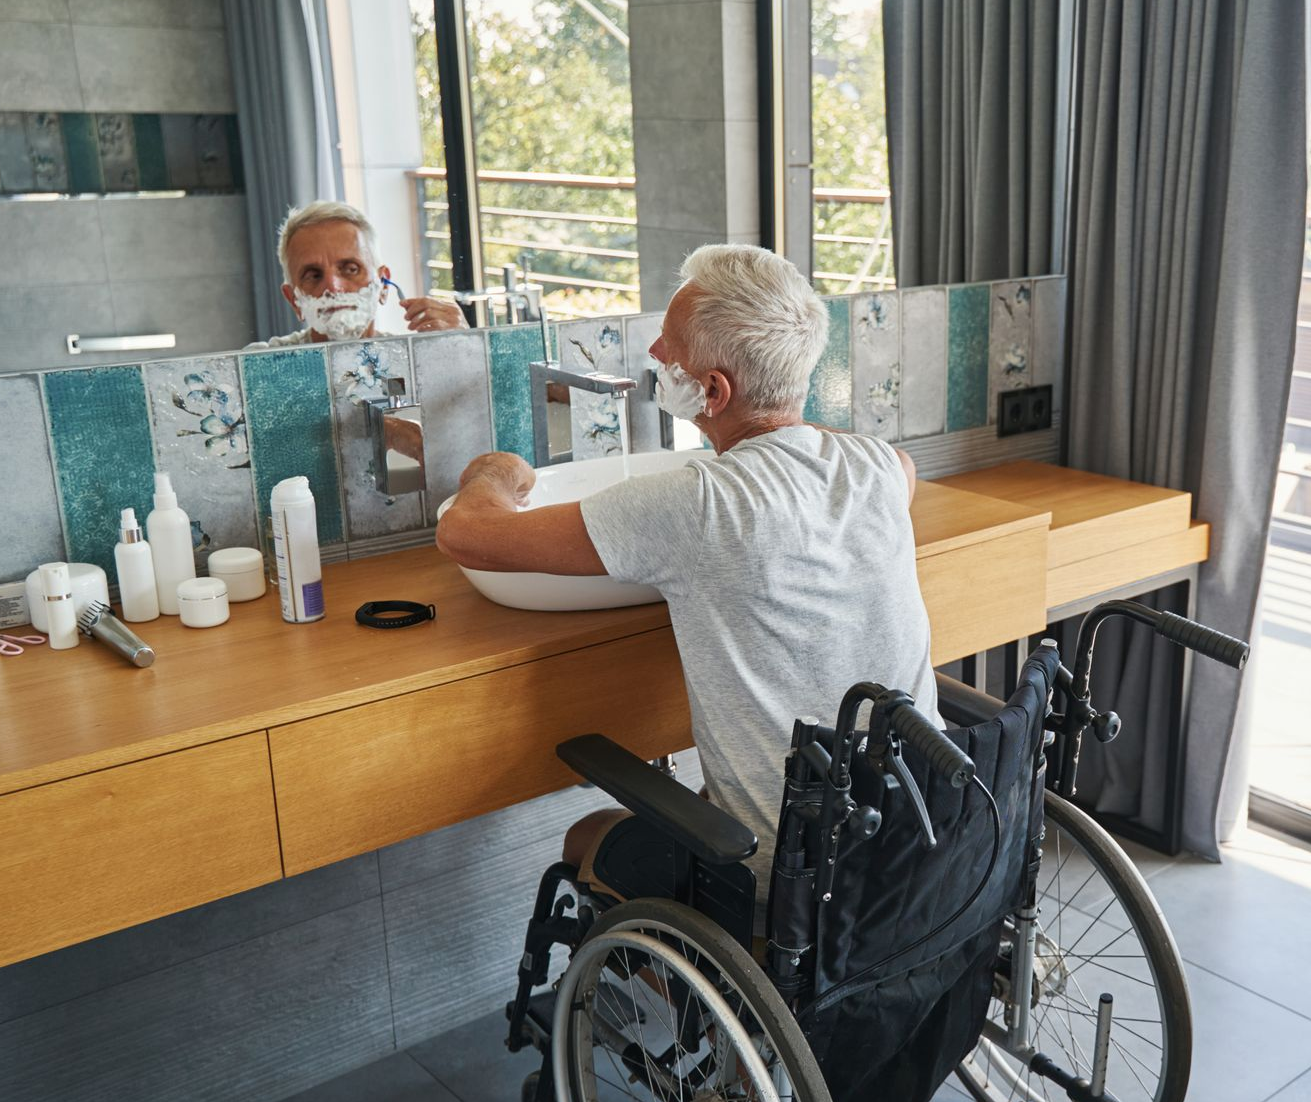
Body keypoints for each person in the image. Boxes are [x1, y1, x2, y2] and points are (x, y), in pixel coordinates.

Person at [437, 243, 938, 907]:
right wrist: (774, 396)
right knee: (705, 795)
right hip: (919, 848)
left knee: (587, 834)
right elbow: (827, 454)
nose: (652, 354)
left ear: (713, 391)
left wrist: (493, 472)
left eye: (668, 347)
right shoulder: (881, 466)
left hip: (785, 881)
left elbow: (466, 535)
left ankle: (680, 971)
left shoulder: (694, 503)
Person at [247, 200, 466, 348]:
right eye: (314, 275)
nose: (333, 287)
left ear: (383, 286)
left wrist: (468, 347)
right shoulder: (259, 367)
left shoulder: (414, 362)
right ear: (294, 300)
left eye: (350, 269)